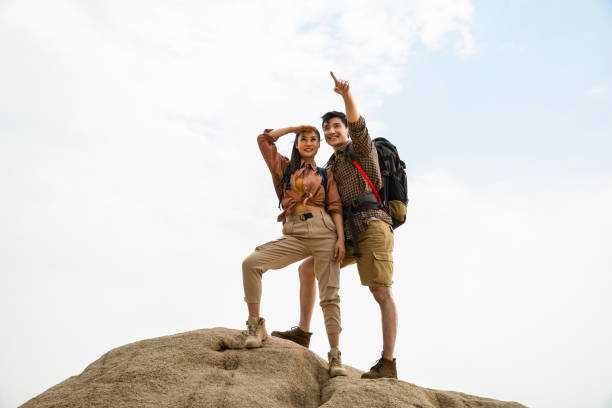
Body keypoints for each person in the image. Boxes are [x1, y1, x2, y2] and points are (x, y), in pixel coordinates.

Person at [272, 72, 399, 379]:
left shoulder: (361, 150)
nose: (331, 131)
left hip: (372, 225)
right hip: (347, 233)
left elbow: (359, 124)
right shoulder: (329, 166)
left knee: (380, 291)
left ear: (345, 130)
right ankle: (303, 332)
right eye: (326, 128)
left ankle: (388, 363)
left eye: (336, 126)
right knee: (306, 268)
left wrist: (346, 96)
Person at [242, 124, 348, 377]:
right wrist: (294, 128)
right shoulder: (283, 168)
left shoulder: (326, 173)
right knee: (251, 263)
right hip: (295, 233)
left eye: (313, 139)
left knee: (329, 296)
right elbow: (263, 140)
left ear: (319, 146)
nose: (309, 142)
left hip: (324, 232)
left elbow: (335, 207)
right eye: (304, 139)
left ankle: (335, 356)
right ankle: (255, 327)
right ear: (298, 143)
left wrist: (341, 240)